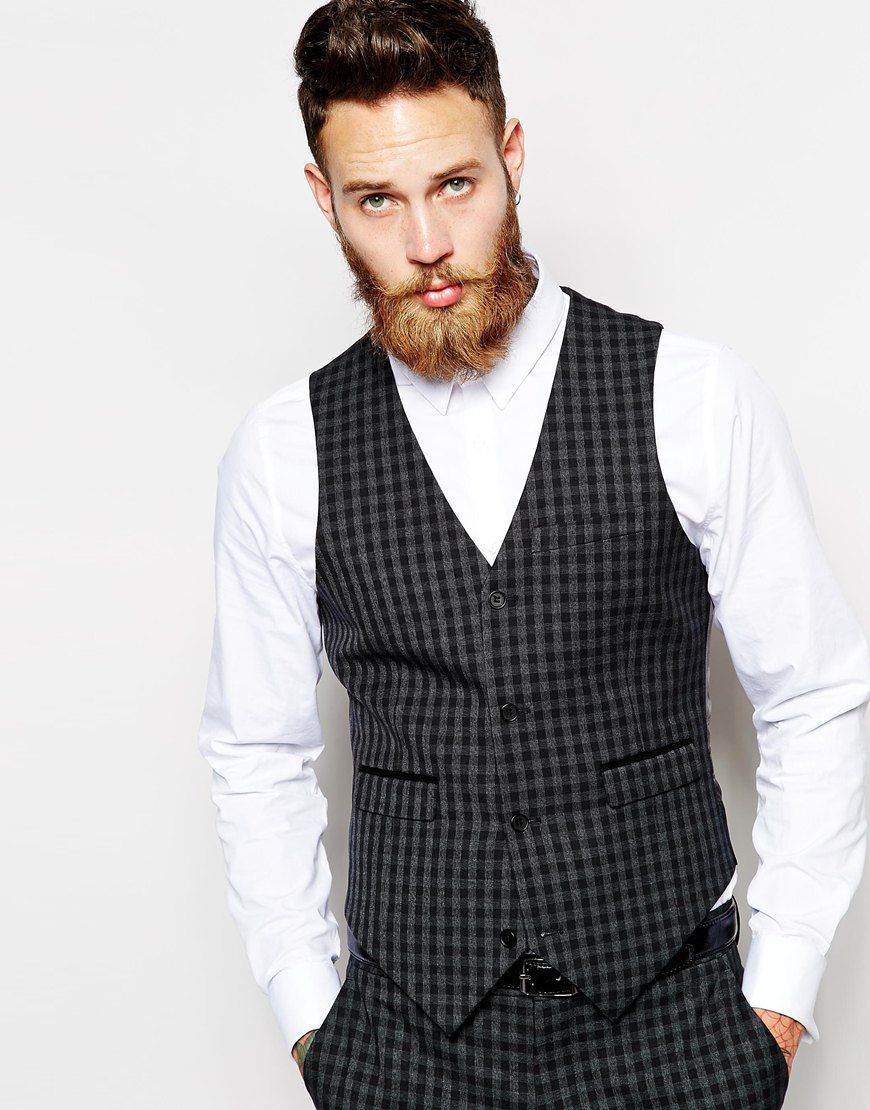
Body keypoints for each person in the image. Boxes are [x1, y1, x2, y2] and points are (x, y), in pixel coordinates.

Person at [196, 2, 870, 1105]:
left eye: (455, 184)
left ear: (511, 156)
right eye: (377, 200)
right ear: (326, 198)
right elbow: (256, 748)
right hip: (403, 1050)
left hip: (678, 1036)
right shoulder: (283, 451)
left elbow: (814, 693)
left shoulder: (692, 397)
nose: (425, 243)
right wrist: (312, 1021)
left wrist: (779, 1005)